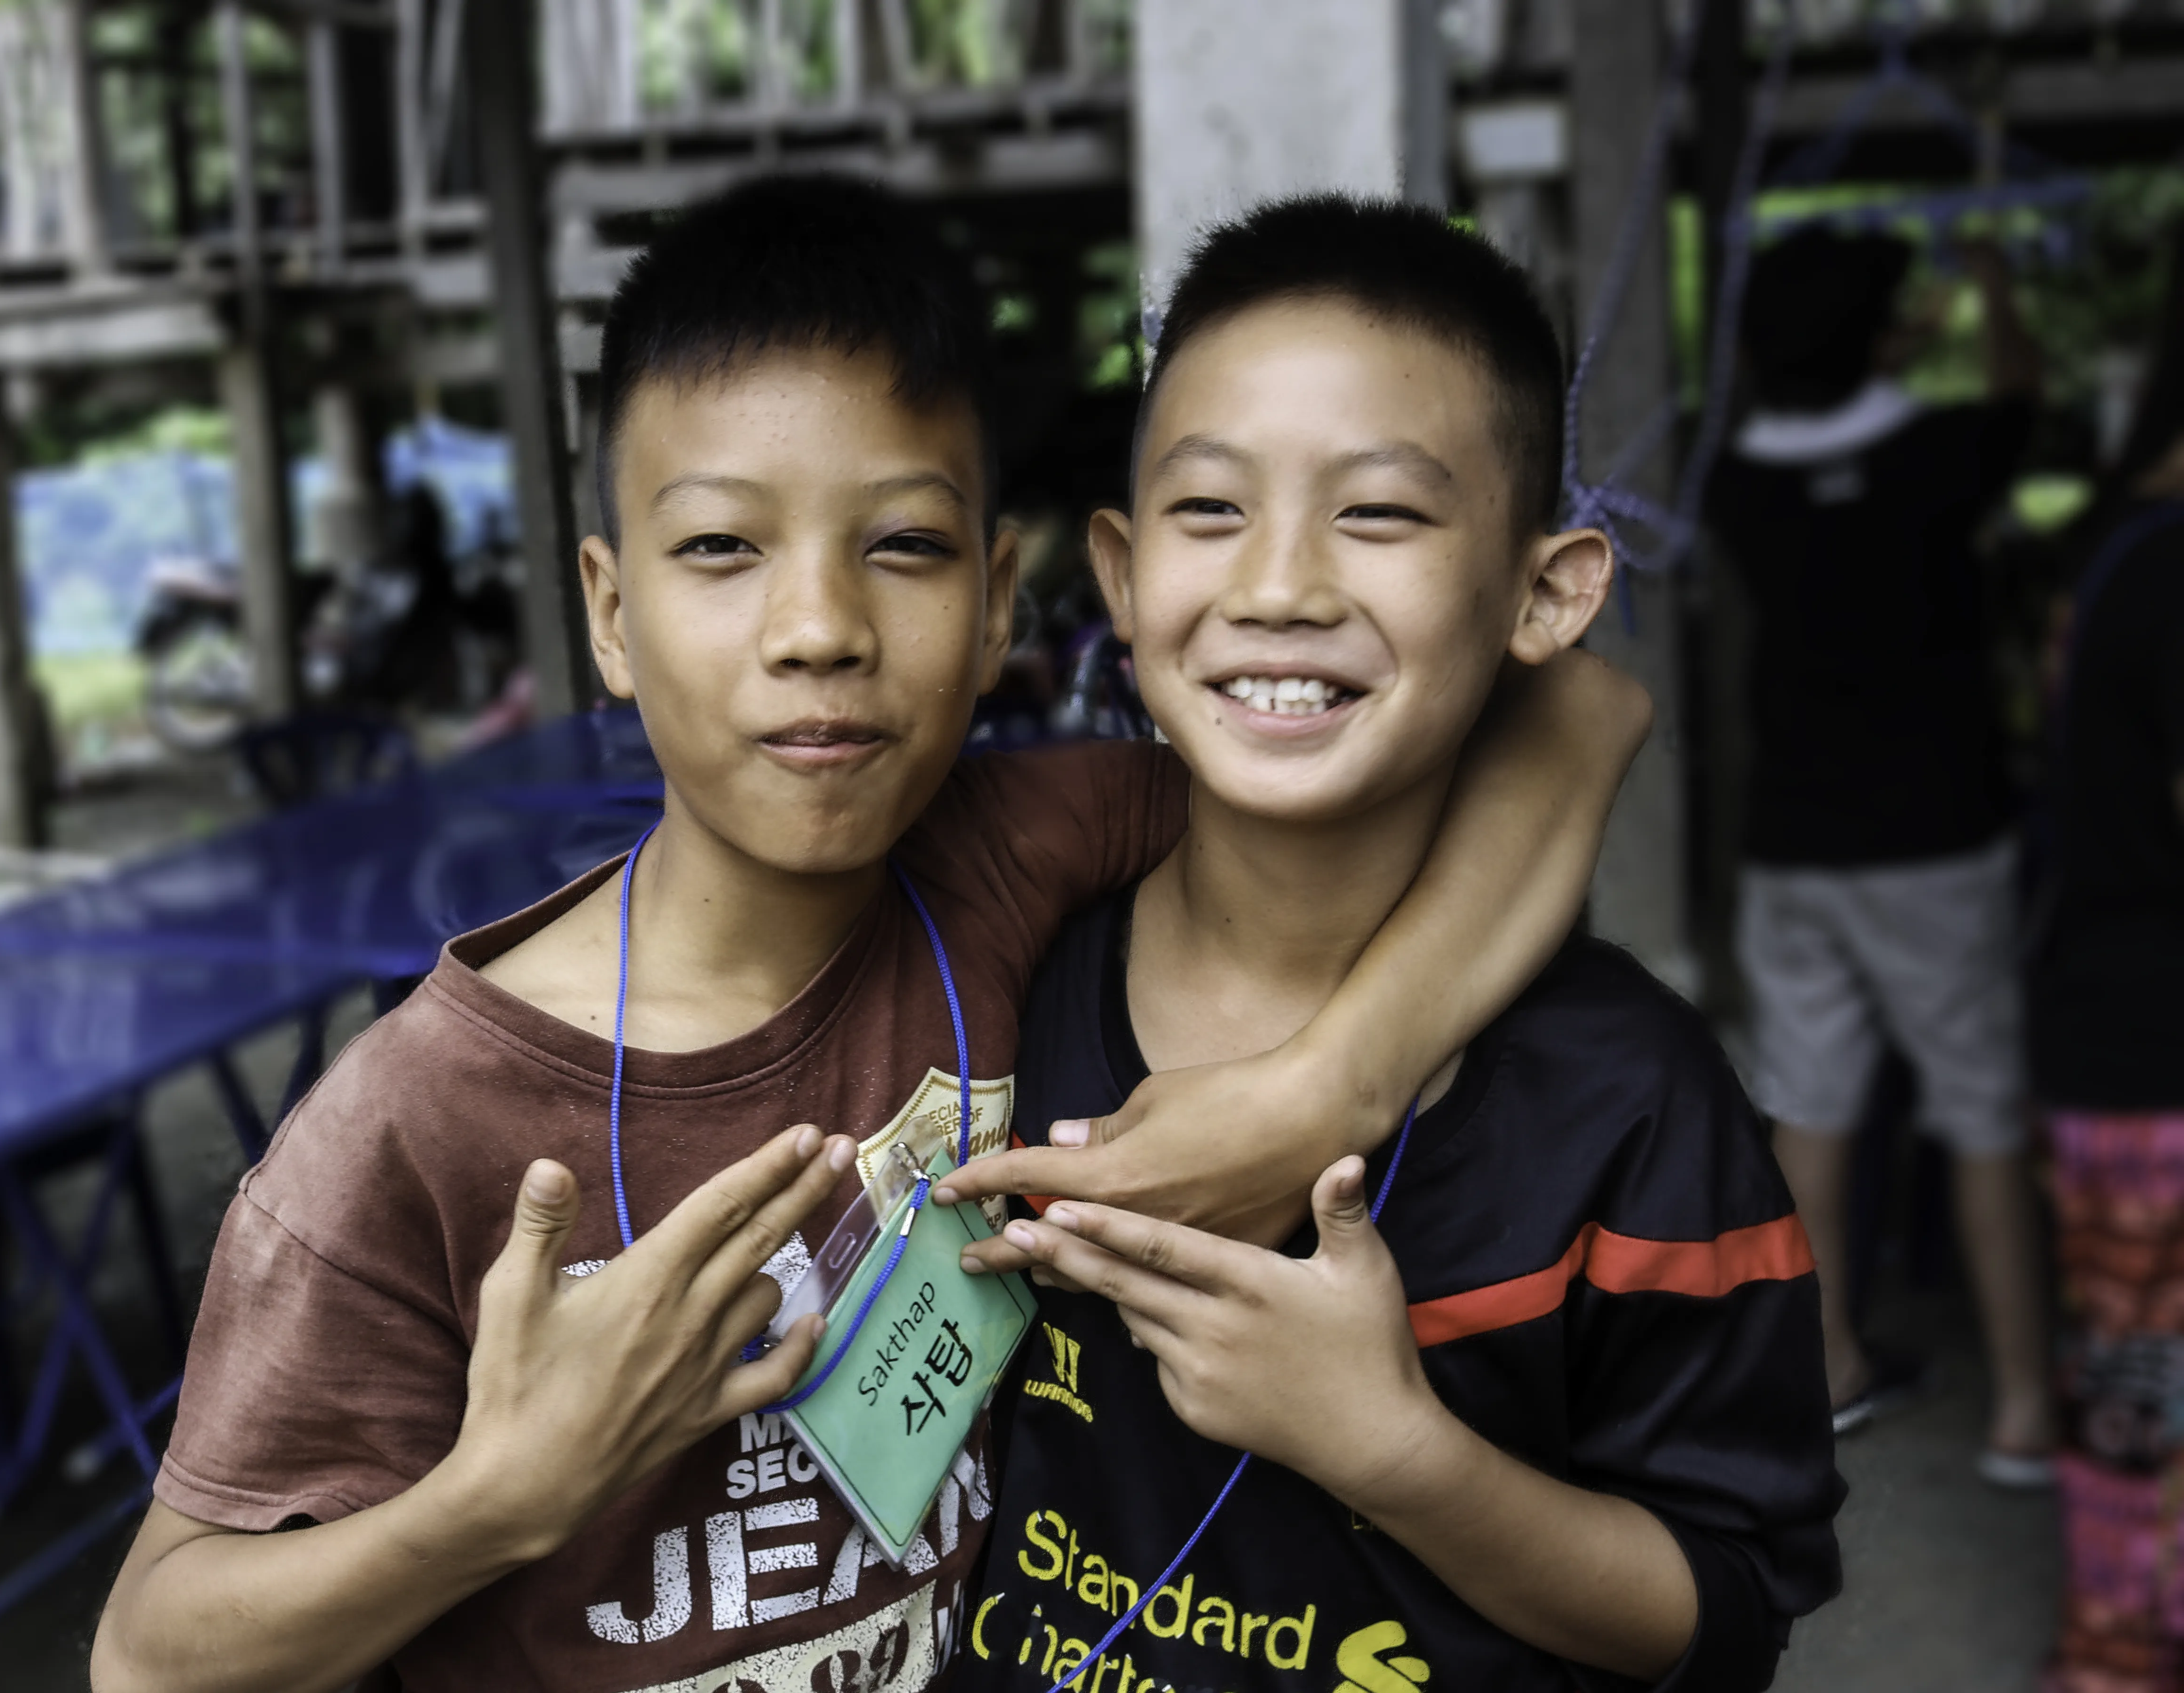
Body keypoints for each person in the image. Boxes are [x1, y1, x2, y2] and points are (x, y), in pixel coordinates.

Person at [87, 176, 1649, 1693]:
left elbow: (1574, 705)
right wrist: (494, 1502)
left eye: (900, 545)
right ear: (611, 615)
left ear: (996, 603)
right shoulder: (414, 1124)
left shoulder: (1008, 854)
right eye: (721, 550)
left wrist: (1330, 1086)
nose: (820, 626)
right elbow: (149, 1656)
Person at [944, 197, 1844, 1692]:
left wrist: (1398, 1452)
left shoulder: (1634, 1106)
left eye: (1380, 513)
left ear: (1545, 592)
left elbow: (1730, 1608)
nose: (1282, 584)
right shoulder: (997, 986)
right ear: (1117, 571)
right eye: (1211, 509)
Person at [1702, 225, 2054, 1480]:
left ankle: (1832, 1363)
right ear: (1885, 339)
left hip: (1795, 845)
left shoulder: (1737, 481)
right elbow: (2023, 390)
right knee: (1980, 1116)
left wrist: (1861, 340)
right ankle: (2023, 1408)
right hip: (1936, 844)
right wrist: (1994, 288)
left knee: (1811, 1104)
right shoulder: (1939, 455)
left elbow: (1786, 398)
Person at [2029, 232, 2184, 1691]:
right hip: (2155, 1059)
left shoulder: (2107, 551)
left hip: (2111, 1048)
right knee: (2146, 1381)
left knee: (2136, 1385)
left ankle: (2117, 1651)